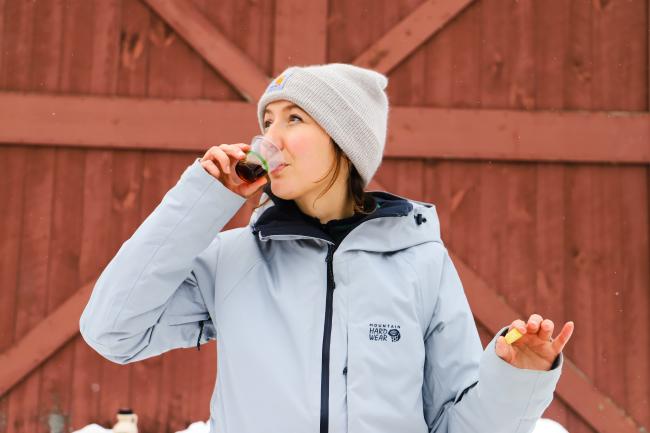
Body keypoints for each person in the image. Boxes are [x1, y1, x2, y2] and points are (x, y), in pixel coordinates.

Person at [80, 63, 575, 433]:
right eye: (267, 121)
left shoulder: (420, 260)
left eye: (294, 118)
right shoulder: (234, 259)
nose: (269, 138)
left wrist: (516, 380)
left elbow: (454, 423)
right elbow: (113, 330)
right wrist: (203, 198)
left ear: (344, 141)